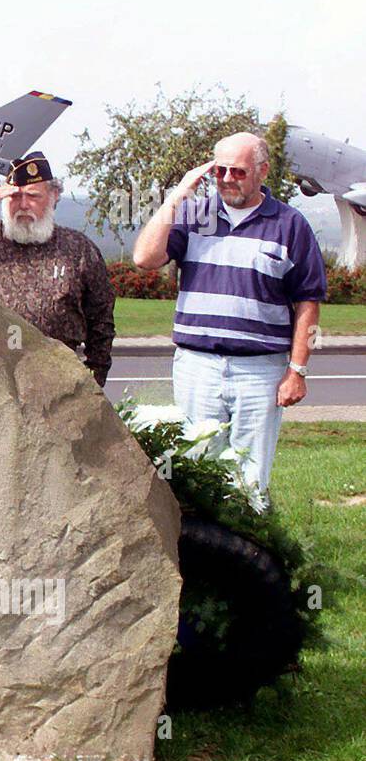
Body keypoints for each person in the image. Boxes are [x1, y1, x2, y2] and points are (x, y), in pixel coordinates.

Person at [132, 132, 326, 492]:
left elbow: (308, 303)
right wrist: (178, 196)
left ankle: (251, 546)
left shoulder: (290, 224)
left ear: (262, 171)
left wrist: (297, 371)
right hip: (197, 366)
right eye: (219, 171)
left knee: (250, 477)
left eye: (237, 172)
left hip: (260, 370)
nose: (226, 179)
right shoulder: (194, 215)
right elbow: (144, 258)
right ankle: (204, 547)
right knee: (196, 468)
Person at [0, 151, 116, 386]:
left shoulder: (78, 249)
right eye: (14, 197)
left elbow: (101, 319)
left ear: (54, 195)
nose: (23, 205)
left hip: (57, 379)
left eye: (33, 196)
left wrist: (94, 379)